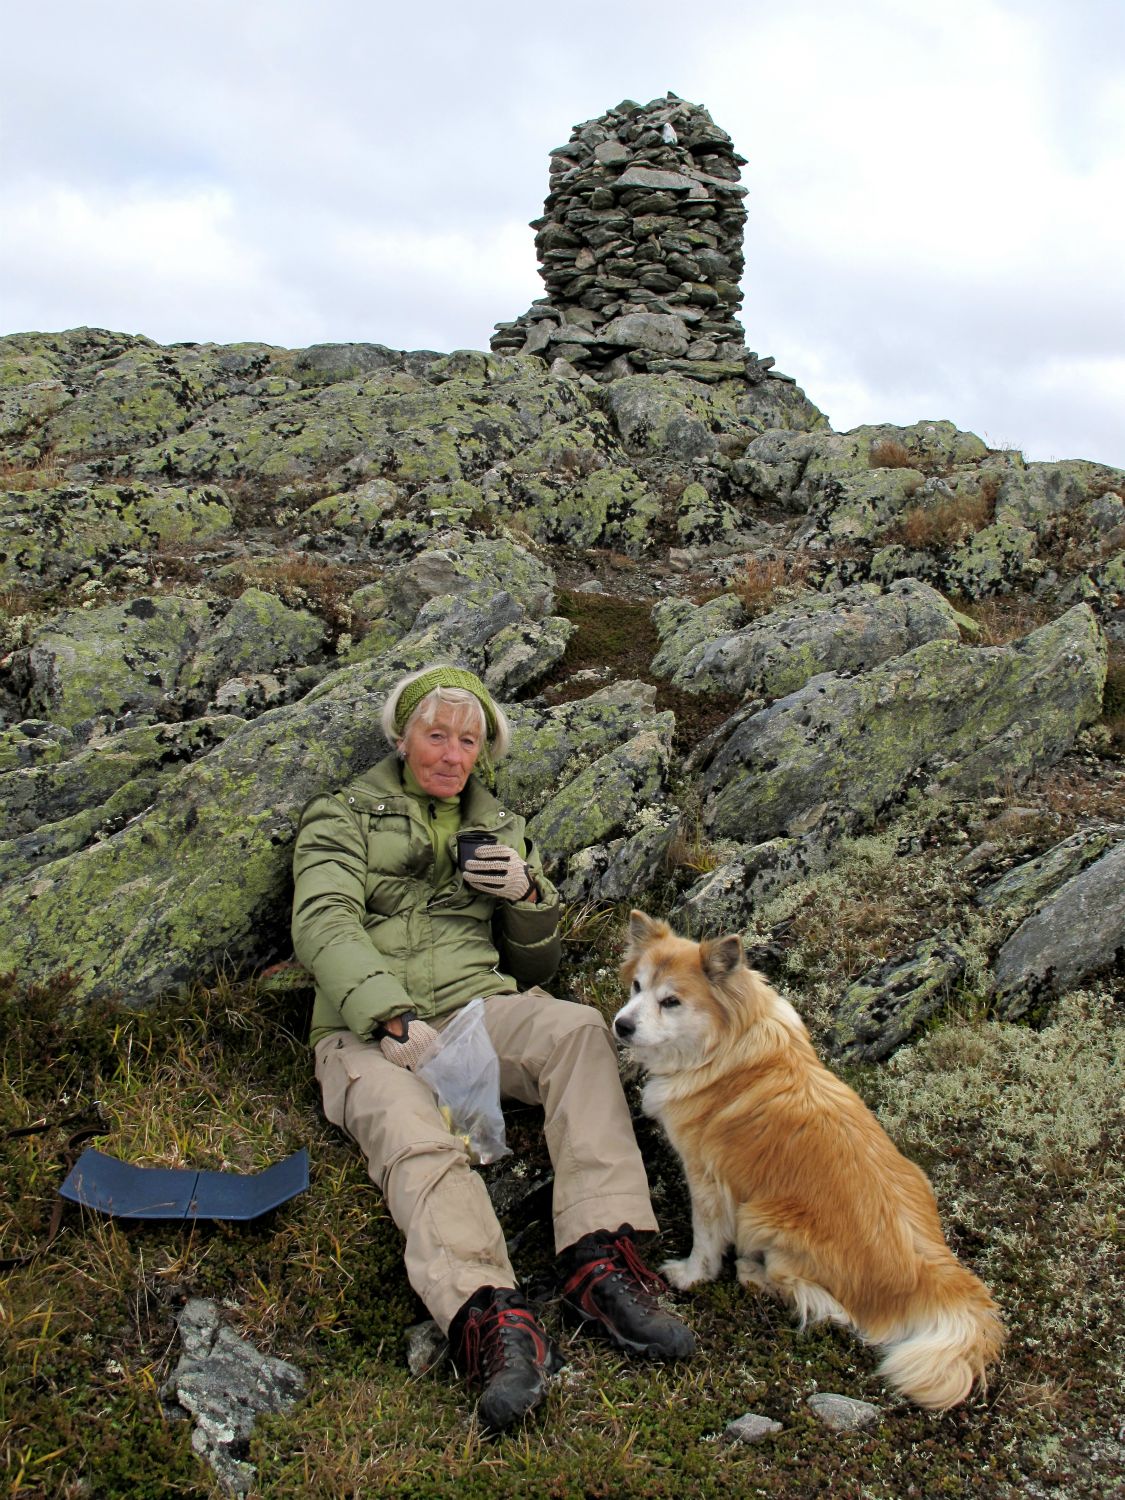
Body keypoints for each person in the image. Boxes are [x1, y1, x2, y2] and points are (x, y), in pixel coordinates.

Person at [291, 663, 694, 1433]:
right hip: (363, 1029)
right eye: (434, 734)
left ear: (483, 751)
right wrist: (389, 1015)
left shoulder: (500, 827)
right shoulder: (340, 816)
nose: (449, 753)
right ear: (402, 735)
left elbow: (532, 970)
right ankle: (489, 1319)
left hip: (479, 1005)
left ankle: (597, 1259)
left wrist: (528, 898)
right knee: (412, 1137)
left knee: (577, 1029)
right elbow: (322, 923)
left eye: (466, 740)